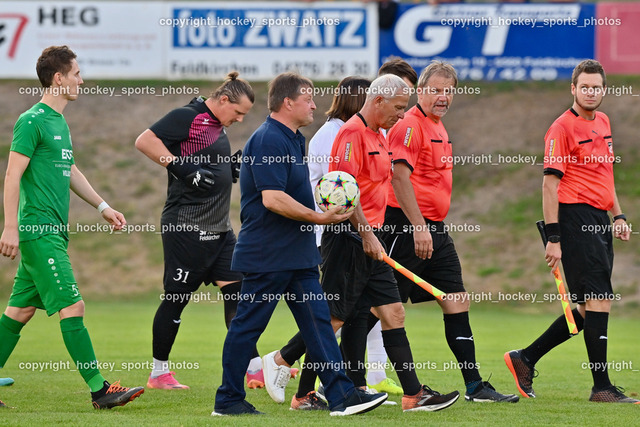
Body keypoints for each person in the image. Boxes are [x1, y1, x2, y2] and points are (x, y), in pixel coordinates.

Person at [262, 74, 460, 413]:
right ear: (378, 100)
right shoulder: (351, 134)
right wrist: (367, 233)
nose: (402, 114)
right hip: (350, 238)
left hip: (373, 238)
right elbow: (340, 192)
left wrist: (376, 234)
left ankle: (413, 395)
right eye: (398, 107)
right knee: (335, 319)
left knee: (393, 312)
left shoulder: (379, 134)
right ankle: (286, 366)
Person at [212, 72, 388, 416]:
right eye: (308, 99)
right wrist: (319, 217)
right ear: (287, 102)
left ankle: (340, 396)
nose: (314, 105)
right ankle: (228, 399)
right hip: (269, 255)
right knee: (248, 326)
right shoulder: (267, 140)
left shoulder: (294, 138)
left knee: (319, 322)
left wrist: (324, 208)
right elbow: (272, 199)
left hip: (298, 255)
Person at [0, 45, 144, 409]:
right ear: (58, 78)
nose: (82, 80)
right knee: (73, 306)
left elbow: (71, 170)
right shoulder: (31, 120)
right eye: (76, 73)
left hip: (52, 233)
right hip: (38, 232)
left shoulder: (59, 122)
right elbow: (12, 175)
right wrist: (10, 227)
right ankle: (100, 390)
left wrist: (103, 206)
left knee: (19, 312)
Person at [380, 61, 519, 403]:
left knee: (456, 300)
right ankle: (322, 374)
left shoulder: (438, 126)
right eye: (435, 90)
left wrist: (430, 228)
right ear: (420, 91)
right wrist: (418, 228)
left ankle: (475, 387)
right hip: (407, 229)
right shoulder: (410, 125)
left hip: (435, 232)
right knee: (376, 308)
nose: (442, 97)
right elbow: (399, 178)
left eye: (448, 91)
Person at [504, 59, 638, 403]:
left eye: (596, 87)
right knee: (600, 300)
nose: (591, 92)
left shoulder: (604, 121)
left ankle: (525, 358)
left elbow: (605, 176)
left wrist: (618, 214)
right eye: (585, 86)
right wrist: (553, 236)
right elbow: (550, 185)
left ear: (603, 90)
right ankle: (602, 387)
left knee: (586, 308)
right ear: (573, 89)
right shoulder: (561, 128)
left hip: (600, 220)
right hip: (575, 218)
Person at [135, 72, 270, 390]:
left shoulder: (217, 126)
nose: (239, 120)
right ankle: (159, 374)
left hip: (220, 229)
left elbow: (207, 163)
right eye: (238, 112)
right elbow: (145, 141)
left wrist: (229, 168)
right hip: (186, 227)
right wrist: (181, 168)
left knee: (239, 292)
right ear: (224, 100)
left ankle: (252, 369)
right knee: (177, 298)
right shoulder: (189, 116)